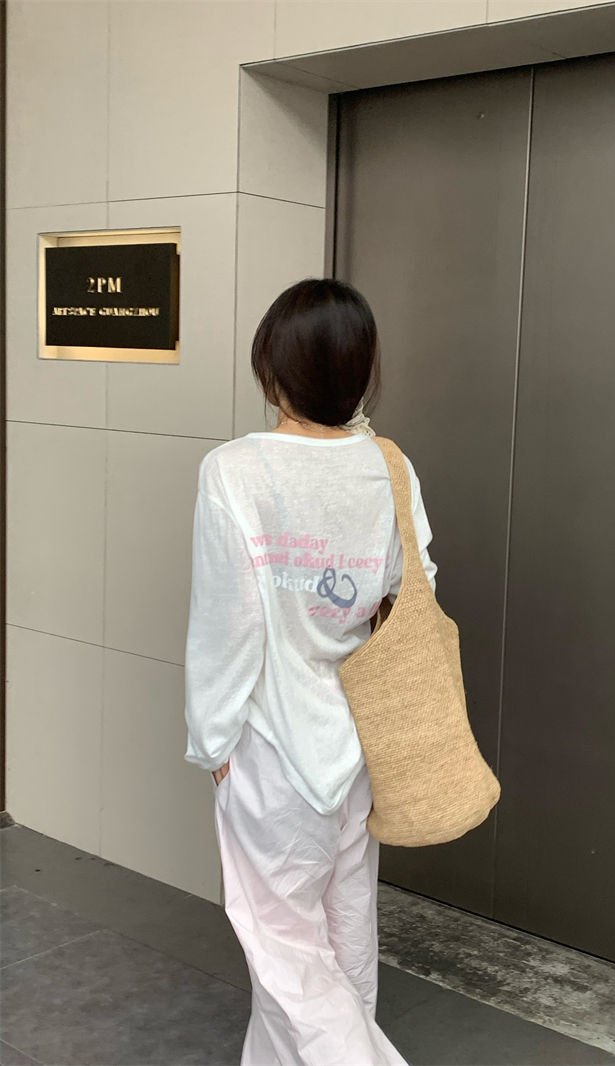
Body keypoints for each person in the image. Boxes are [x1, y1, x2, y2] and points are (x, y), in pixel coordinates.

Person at [183, 278, 437, 1066]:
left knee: (284, 945)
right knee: (345, 925)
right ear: (360, 372)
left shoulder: (235, 471)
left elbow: (230, 622)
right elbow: (413, 586)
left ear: (273, 368)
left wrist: (212, 737)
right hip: (355, 740)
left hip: (270, 743)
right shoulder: (389, 468)